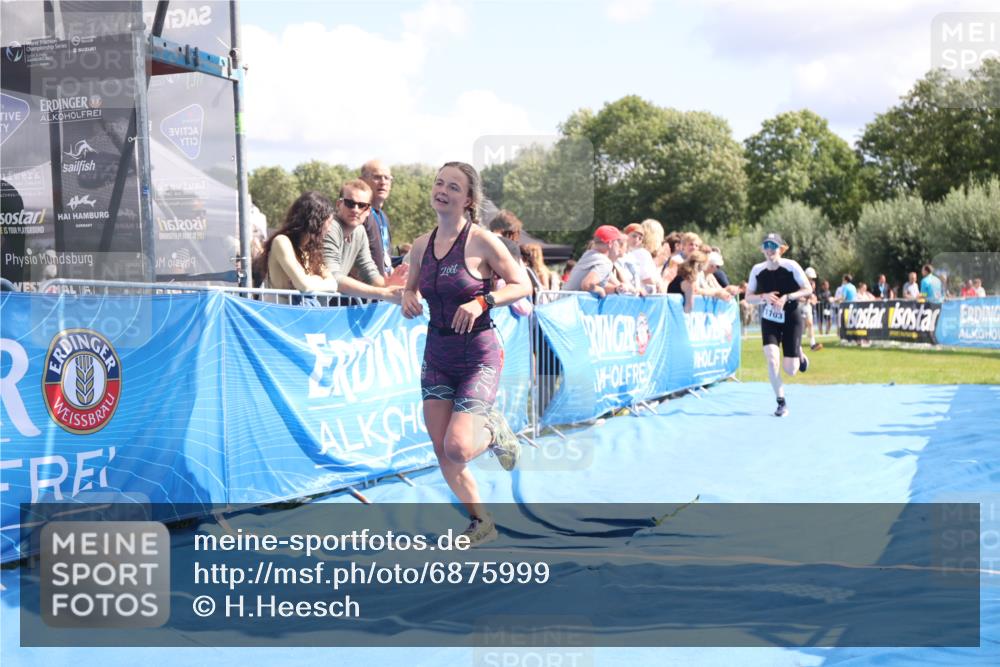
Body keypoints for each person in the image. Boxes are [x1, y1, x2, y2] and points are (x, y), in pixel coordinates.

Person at [400, 161, 531, 546]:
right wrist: (407, 297)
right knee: (444, 452)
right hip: (437, 356)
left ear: (469, 199)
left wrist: (483, 301)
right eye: (439, 183)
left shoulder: (483, 241)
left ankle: (493, 431)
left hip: (478, 354)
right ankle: (481, 521)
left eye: (453, 187)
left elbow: (522, 285)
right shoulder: (421, 245)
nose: (442, 190)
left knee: (458, 447)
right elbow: (411, 288)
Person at [745, 233, 814, 418]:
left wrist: (787, 297)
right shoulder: (757, 270)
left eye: (773, 246)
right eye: (766, 246)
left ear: (781, 249)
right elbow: (748, 297)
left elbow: (808, 289)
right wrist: (763, 297)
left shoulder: (791, 266)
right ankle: (781, 402)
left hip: (791, 316)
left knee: (790, 370)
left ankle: (799, 353)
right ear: (762, 249)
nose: (769, 250)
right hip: (770, 319)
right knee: (772, 359)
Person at [322, 179, 402, 302]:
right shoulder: (330, 227)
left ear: (368, 211)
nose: (355, 209)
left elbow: (369, 271)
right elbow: (332, 277)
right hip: (300, 305)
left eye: (362, 205)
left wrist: (389, 286)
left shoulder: (360, 231)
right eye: (350, 203)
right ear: (338, 204)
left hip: (319, 306)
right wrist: (383, 293)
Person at [252, 192, 342, 301]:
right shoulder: (282, 241)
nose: (330, 229)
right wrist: (316, 280)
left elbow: (333, 284)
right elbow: (304, 286)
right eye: (329, 223)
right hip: (279, 310)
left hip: (298, 310)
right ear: (316, 222)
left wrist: (309, 280)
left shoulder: (311, 251)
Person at [564, 226, 631, 296]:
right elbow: (587, 284)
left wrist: (616, 289)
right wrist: (601, 292)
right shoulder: (605, 262)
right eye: (617, 242)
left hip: (565, 299)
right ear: (610, 243)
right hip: (574, 301)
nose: (619, 246)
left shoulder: (589, 255)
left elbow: (598, 284)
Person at [360, 160, 396, 278]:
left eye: (387, 178)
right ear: (362, 181)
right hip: (363, 288)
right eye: (377, 177)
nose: (383, 182)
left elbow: (384, 260)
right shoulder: (358, 214)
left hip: (382, 286)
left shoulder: (384, 217)